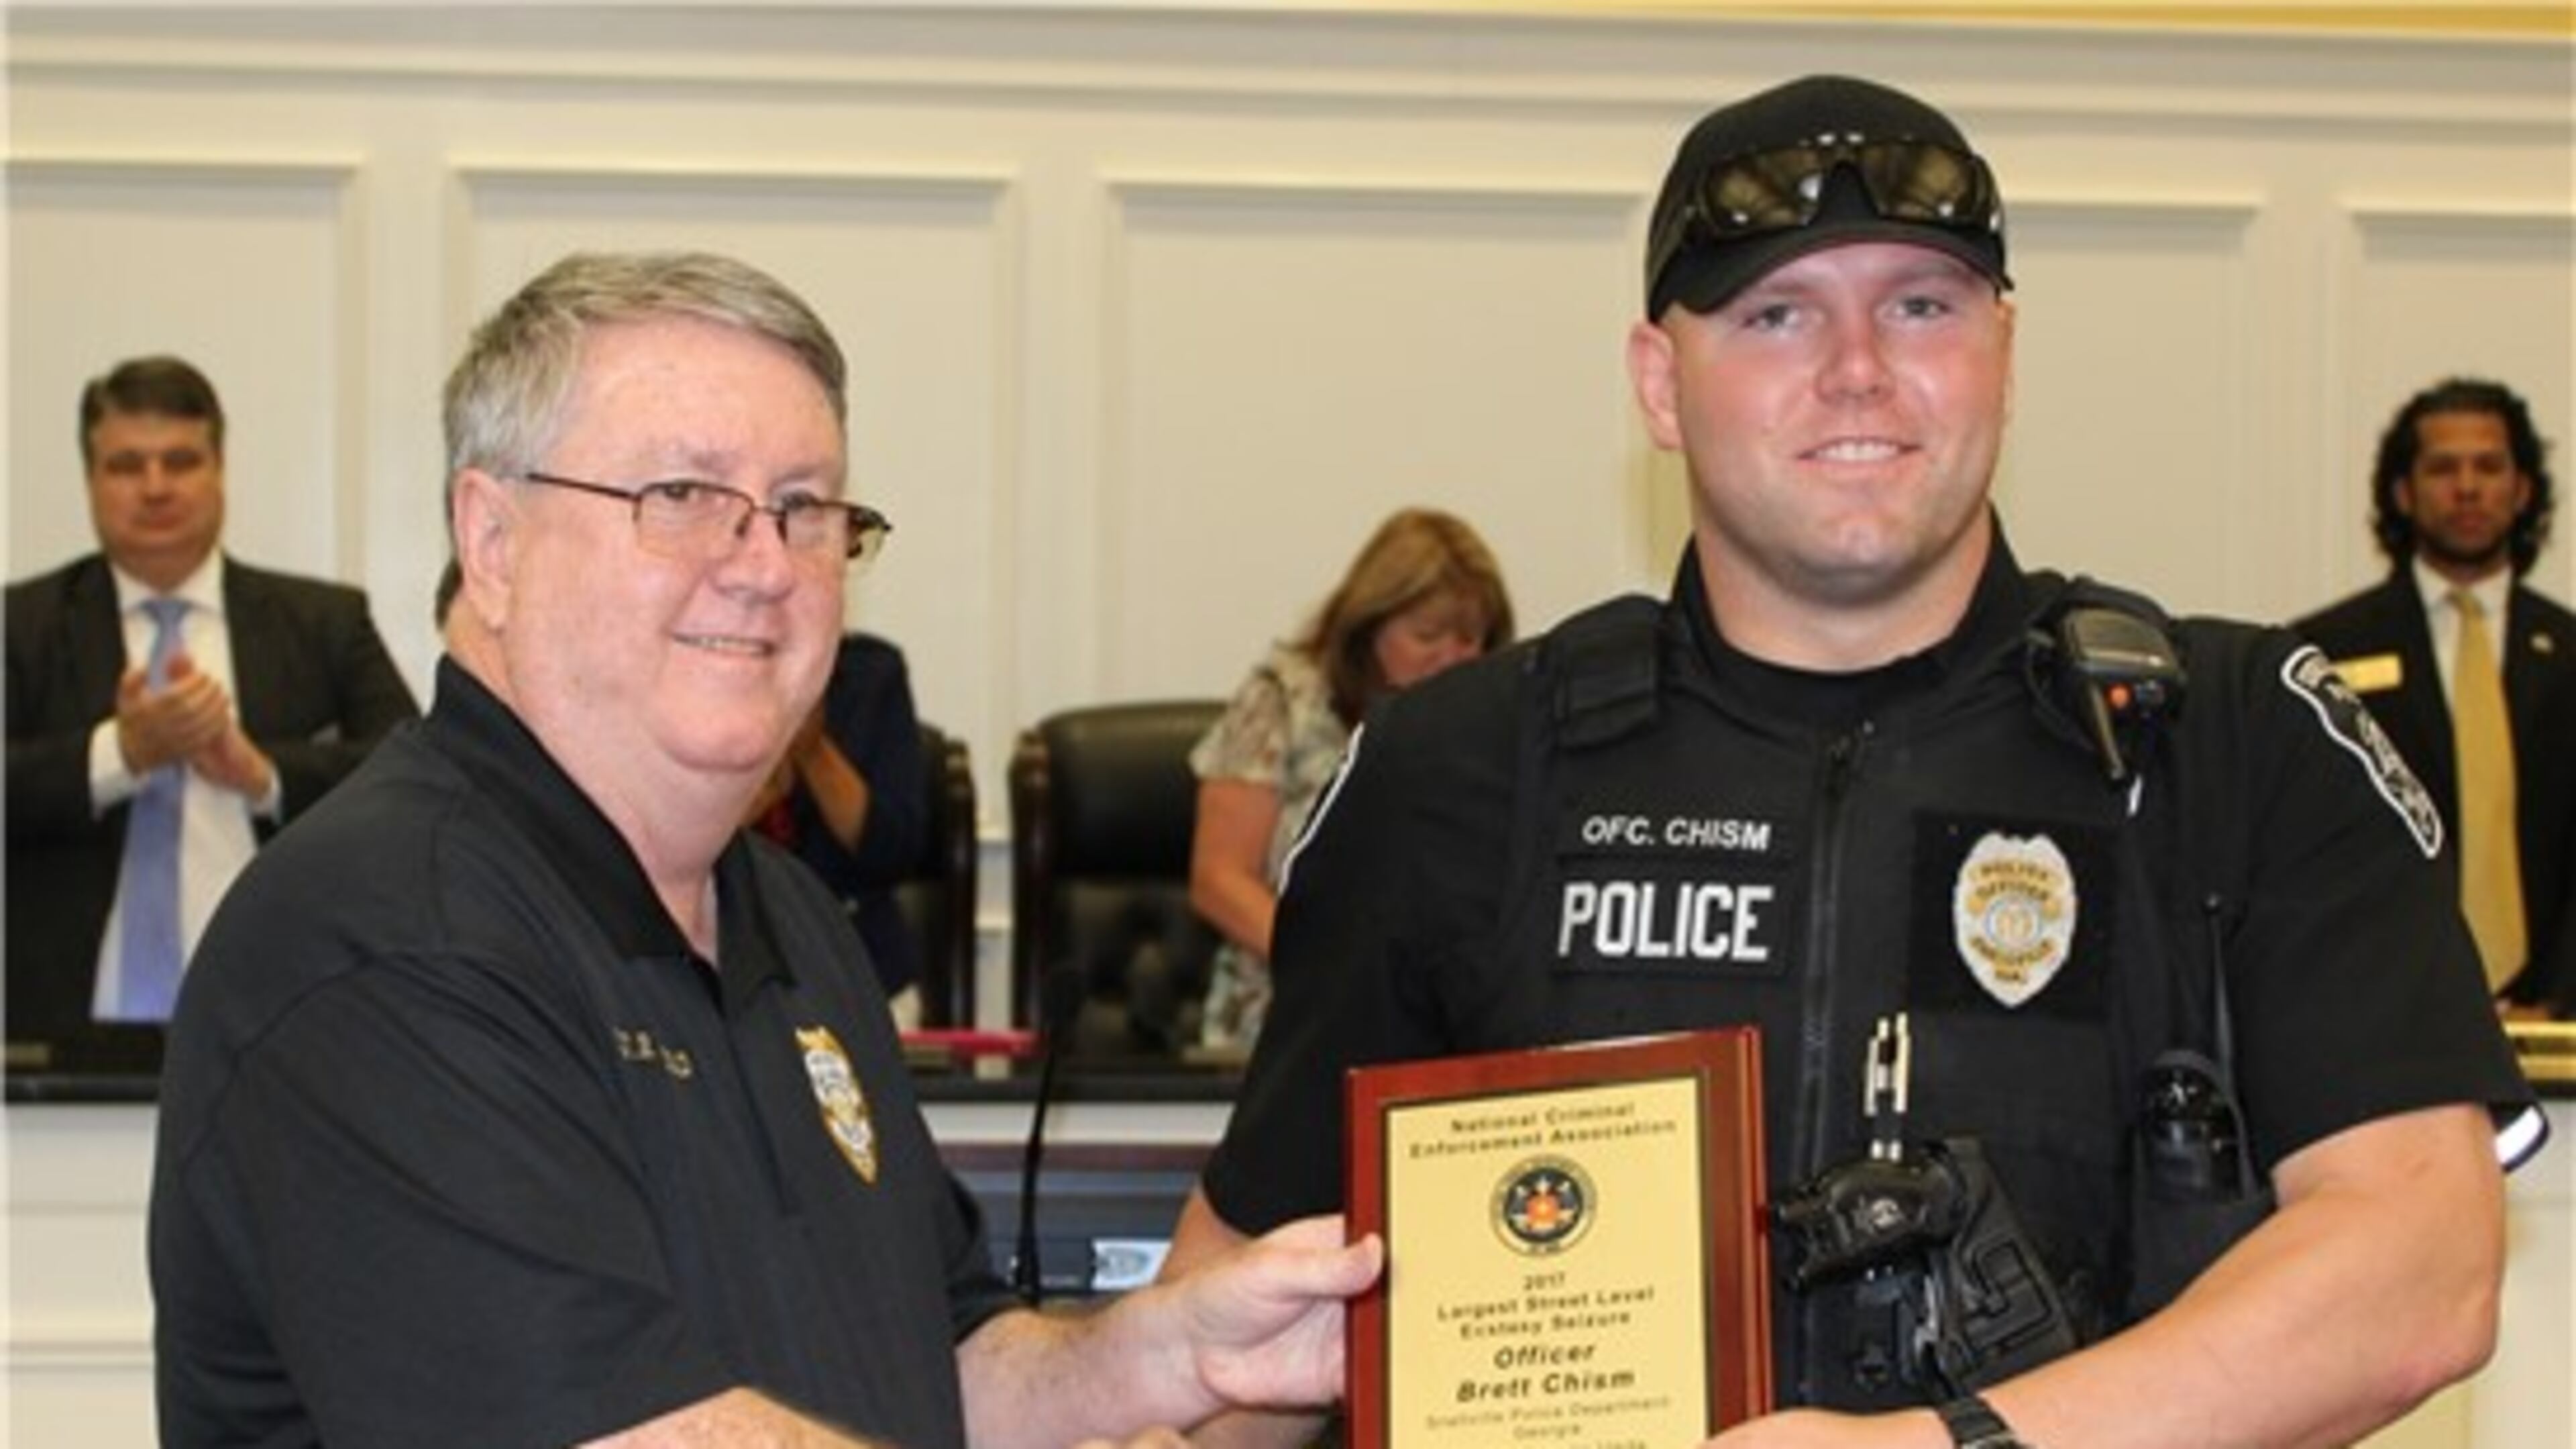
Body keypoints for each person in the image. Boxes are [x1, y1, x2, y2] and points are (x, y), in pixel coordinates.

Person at [1162, 75, 2542, 1448]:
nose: (1858, 370)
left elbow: (2417, 1269)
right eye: (1775, 314)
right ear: (1660, 381)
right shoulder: (1457, 767)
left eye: (1922, 306)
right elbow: (1245, 1327)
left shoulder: (2238, 739)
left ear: (2004, 349)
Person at [148, 251, 1379, 1448]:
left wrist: (1162, 1358)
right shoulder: (381, 944)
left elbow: (942, 1363)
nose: (764, 566)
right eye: (681, 496)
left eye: (805, 509)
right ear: (494, 541)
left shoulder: (786, 919)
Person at [5, 355, 419, 1073]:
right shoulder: (20, 626)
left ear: (220, 470)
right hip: (55, 1043)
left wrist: (261, 774)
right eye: (128, 465)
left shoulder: (324, 622)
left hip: (289, 1025)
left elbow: (410, 780)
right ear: (91, 480)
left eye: (181, 461)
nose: (157, 486)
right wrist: (120, 754)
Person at [2296, 378, 2573, 1021]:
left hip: (2560, 1026)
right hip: (2389, 1014)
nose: (2468, 487)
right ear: (2403, 492)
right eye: (2444, 467)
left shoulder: (2569, 651)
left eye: (2490, 466)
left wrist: (2558, 1001)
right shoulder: (2323, 651)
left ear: (2523, 489)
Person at [1188, 506, 1513, 1051]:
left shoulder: (1487, 722)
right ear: (1368, 627)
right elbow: (1218, 879)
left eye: (1471, 640)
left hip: (1438, 1020)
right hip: (1285, 1016)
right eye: (1428, 636)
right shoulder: (1283, 697)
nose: (1453, 660)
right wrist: (1335, 969)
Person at [745, 629, 937, 1022]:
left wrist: (813, 749)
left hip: (861, 961)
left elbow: (895, 850)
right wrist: (758, 795)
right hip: (737, 960)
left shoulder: (870, 673)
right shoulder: (703, 668)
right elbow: (670, 845)